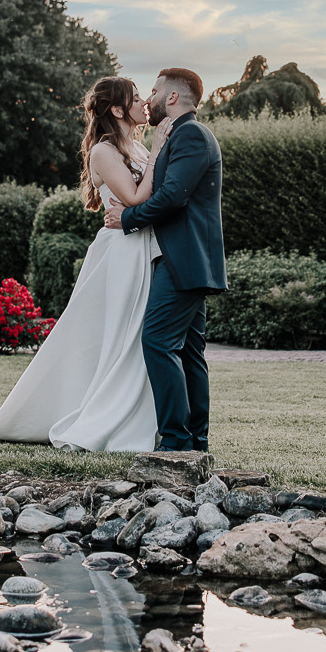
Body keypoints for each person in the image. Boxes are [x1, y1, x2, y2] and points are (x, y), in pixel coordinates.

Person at [0, 76, 161, 451]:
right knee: (119, 336)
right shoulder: (104, 152)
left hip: (142, 247)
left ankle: (137, 417)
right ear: (118, 110)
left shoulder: (137, 147)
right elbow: (136, 197)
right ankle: (102, 418)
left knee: (139, 337)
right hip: (122, 252)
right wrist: (160, 151)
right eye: (136, 98)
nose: (144, 103)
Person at [104, 67, 225, 452]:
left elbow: (173, 196)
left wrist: (127, 217)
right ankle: (195, 443)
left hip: (182, 258)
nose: (149, 99)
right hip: (186, 259)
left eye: (154, 92)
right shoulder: (181, 135)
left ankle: (175, 441)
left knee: (157, 341)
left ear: (172, 97)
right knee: (188, 350)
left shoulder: (191, 134)